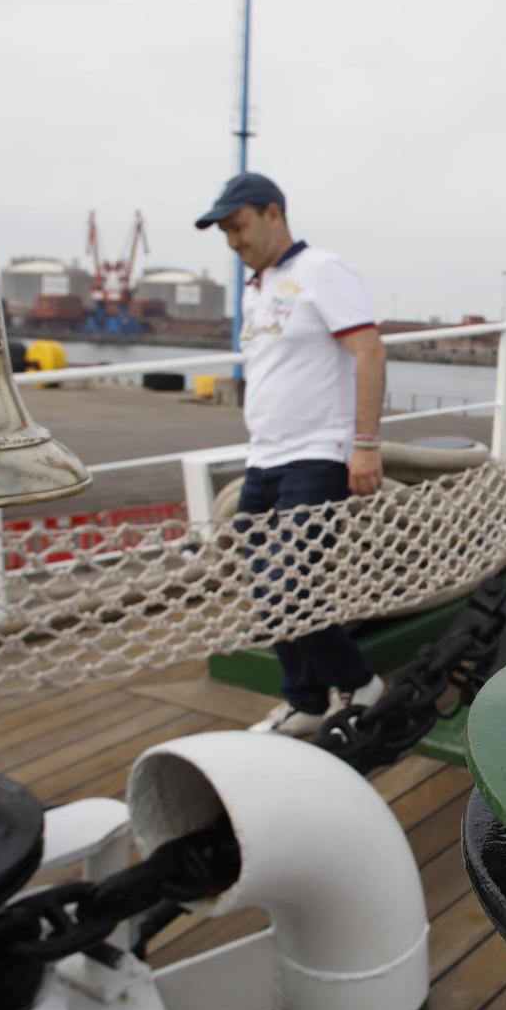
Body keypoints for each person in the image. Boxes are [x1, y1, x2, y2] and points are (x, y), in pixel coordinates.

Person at [196, 172, 387, 734]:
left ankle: (358, 684)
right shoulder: (259, 289)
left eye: (239, 225)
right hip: (265, 458)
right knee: (265, 587)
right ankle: (305, 700)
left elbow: (368, 353)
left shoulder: (320, 271)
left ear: (273, 214)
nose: (233, 240)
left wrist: (366, 447)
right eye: (225, 231)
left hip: (316, 455)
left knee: (289, 587)